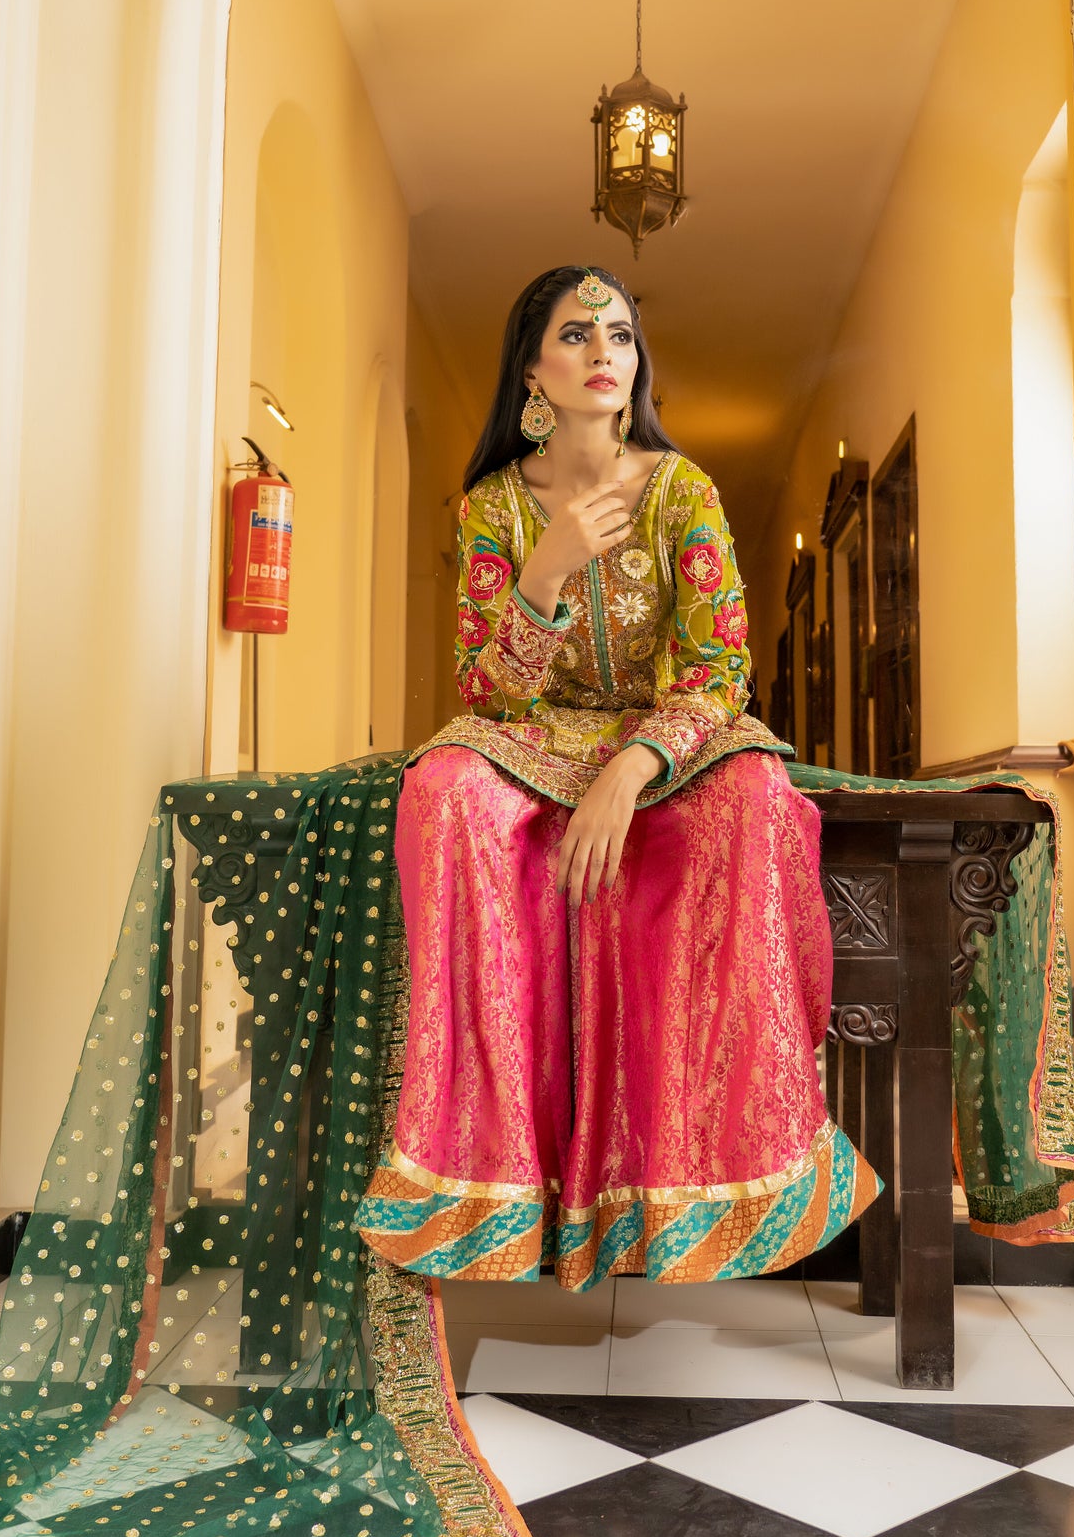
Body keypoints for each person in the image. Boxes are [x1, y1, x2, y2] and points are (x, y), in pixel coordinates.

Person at [358, 265, 880, 1289]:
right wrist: (544, 572)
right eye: (575, 333)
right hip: (530, 740)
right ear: (531, 370)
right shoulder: (492, 508)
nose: (604, 351)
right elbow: (483, 688)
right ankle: (487, 1178)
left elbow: (717, 666)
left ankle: (701, 1178)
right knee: (447, 788)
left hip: (664, 742)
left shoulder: (679, 490)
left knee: (749, 797)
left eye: (621, 334)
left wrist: (630, 768)